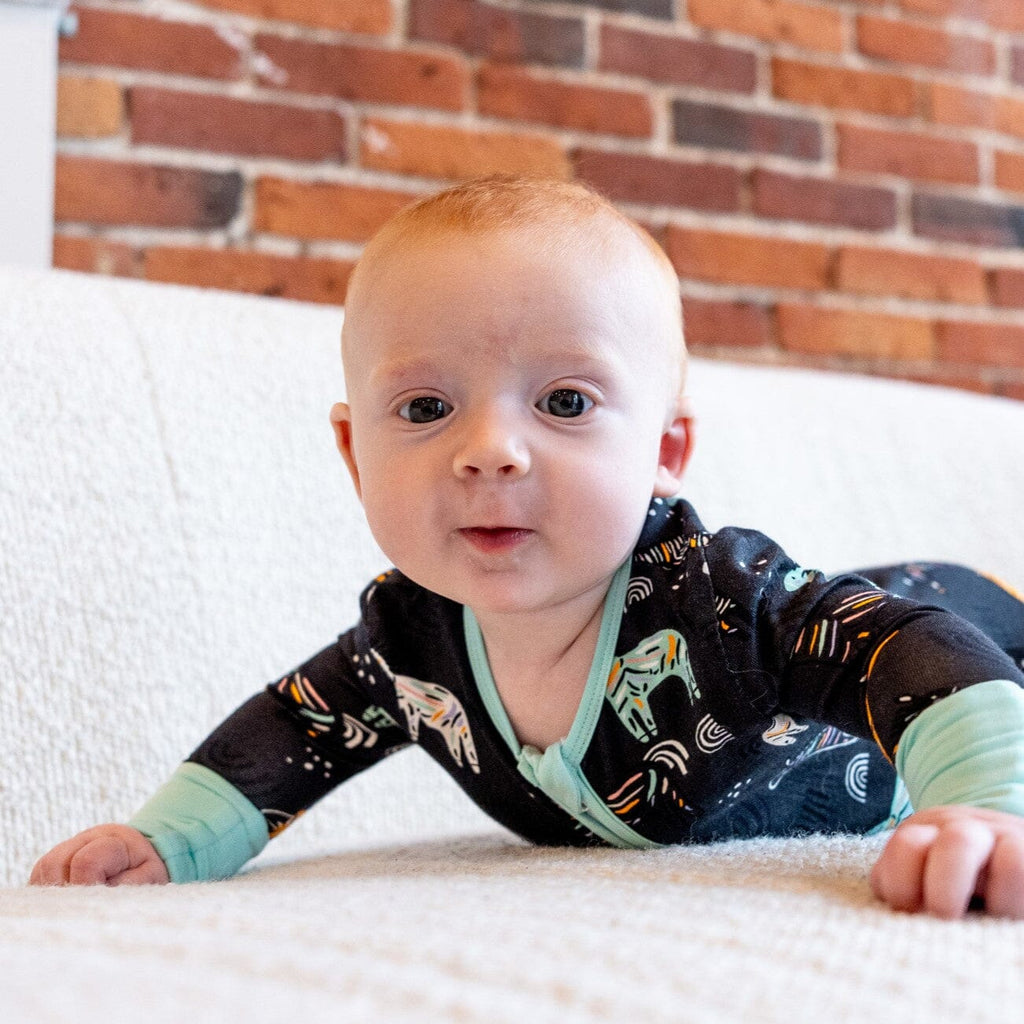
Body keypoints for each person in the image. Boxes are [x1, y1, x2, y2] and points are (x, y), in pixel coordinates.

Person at [29, 176, 1024, 919]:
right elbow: (293, 731)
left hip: (969, 625)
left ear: (664, 449)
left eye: (564, 402)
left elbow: (905, 648)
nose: (489, 452)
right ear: (351, 452)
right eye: (425, 407)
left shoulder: (723, 601)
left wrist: (987, 805)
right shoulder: (409, 644)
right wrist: (163, 840)